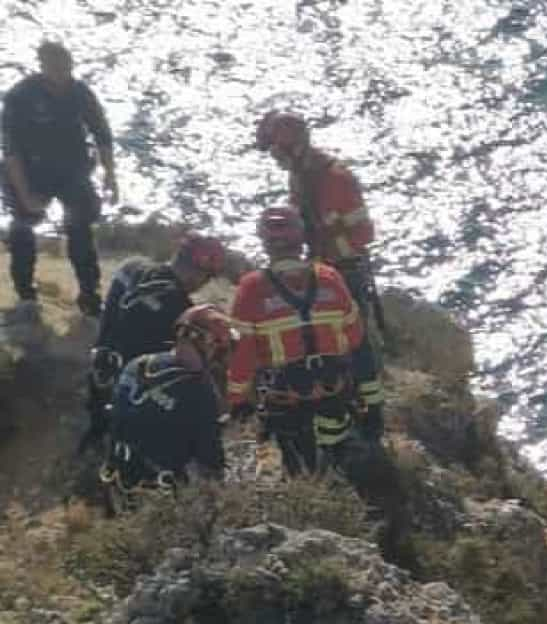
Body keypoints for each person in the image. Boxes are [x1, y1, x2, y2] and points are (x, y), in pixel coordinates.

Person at [253, 110, 384, 436]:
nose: (274, 159)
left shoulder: (336, 179)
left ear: (293, 147)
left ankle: (372, 412)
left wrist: (327, 236)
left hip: (344, 270)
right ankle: (335, 405)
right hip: (318, 271)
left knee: (355, 343)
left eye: (276, 151)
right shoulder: (300, 176)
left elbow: (363, 234)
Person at [227, 206, 367, 475]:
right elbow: (356, 335)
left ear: (264, 242)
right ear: (301, 238)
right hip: (333, 390)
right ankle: (342, 477)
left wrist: (236, 400)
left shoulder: (251, 288)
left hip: (286, 397)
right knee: (337, 450)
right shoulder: (330, 277)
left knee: (298, 466)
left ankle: (309, 487)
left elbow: (243, 355)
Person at [3, 42, 116, 313]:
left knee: (80, 229)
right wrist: (26, 194)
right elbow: (11, 151)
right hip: (29, 170)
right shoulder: (21, 96)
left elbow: (102, 134)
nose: (62, 73)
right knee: (23, 228)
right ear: (43, 66)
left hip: (70, 169)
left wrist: (110, 175)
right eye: (55, 67)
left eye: (66, 66)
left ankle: (90, 297)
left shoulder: (79, 92)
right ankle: (25, 295)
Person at [83, 233, 226, 446]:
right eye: (209, 277)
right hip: (133, 398)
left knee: (94, 442)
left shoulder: (131, 267)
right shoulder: (182, 311)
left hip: (99, 377)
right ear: (200, 274)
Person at [98, 305, 231, 510]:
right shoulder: (198, 393)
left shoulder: (139, 364)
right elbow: (210, 458)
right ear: (207, 344)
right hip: (157, 495)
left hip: (116, 476)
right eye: (219, 347)